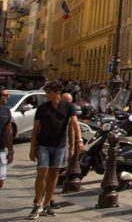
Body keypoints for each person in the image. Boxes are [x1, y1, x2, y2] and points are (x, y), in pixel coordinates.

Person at [28, 81, 85, 219]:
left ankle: (47, 203)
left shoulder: (68, 107)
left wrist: (79, 141)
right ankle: (37, 203)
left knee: (54, 174)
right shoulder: (42, 108)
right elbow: (35, 130)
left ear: (57, 93)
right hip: (43, 145)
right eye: (46, 92)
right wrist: (32, 148)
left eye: (49, 92)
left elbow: (75, 124)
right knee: (42, 171)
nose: (47, 94)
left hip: (60, 146)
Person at [1, 86, 14, 190]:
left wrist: (11, 151)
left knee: (1, 180)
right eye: (5, 95)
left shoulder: (6, 111)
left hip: (1, 150)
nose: (8, 97)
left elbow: (8, 133)